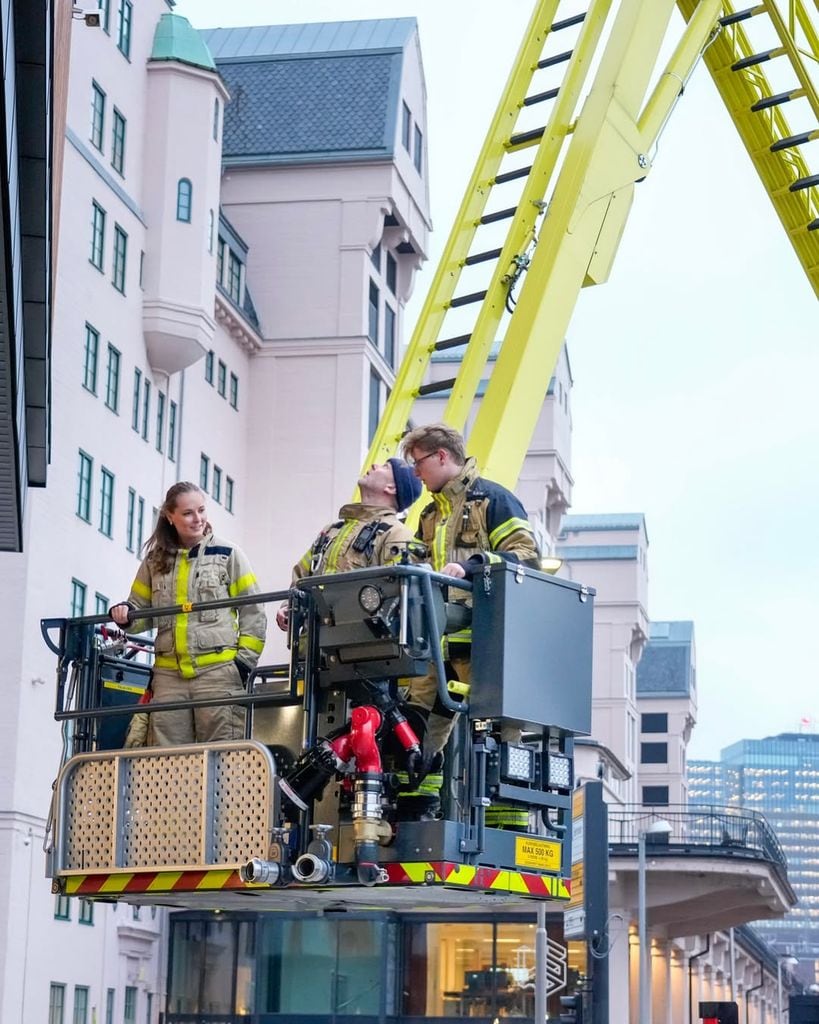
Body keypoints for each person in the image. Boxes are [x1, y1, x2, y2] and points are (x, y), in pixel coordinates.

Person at [400, 423, 541, 777]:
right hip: (436, 645)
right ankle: (419, 810)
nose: (416, 473)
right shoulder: (430, 516)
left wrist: (470, 567)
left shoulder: (494, 500)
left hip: (484, 644)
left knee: (498, 736)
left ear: (442, 456)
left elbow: (526, 556)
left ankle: (505, 822)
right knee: (415, 738)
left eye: (419, 463)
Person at [110, 481, 267, 746]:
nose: (198, 519)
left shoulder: (229, 554)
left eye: (202, 510)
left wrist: (241, 666)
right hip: (169, 679)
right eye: (188, 513)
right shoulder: (153, 561)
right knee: (168, 764)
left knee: (222, 761)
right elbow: (139, 612)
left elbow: (254, 612)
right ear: (170, 517)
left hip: (219, 675)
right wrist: (125, 614)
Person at [275, 458, 425, 631]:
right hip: (313, 648)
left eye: (385, 467)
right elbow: (301, 576)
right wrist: (289, 607)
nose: (375, 465)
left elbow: (395, 595)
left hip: (357, 647)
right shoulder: (332, 531)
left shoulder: (397, 534)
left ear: (391, 488)